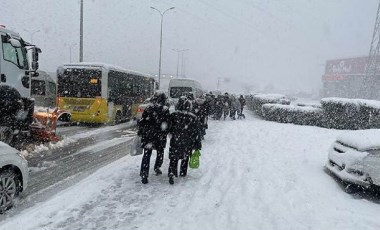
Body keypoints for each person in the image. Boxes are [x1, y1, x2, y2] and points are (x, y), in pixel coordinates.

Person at [138, 91, 171, 184]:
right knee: (160, 152)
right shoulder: (165, 110)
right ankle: (157, 167)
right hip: (159, 136)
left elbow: (142, 121)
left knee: (147, 154)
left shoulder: (148, 108)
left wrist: (141, 132)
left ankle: (144, 173)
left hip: (148, 135)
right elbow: (168, 124)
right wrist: (165, 132)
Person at [168, 96, 202, 184]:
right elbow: (196, 132)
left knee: (173, 157)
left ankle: (172, 172)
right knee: (185, 157)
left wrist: (171, 133)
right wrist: (197, 144)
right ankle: (182, 172)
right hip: (187, 141)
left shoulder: (173, 115)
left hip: (175, 140)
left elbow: (169, 127)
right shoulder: (192, 117)